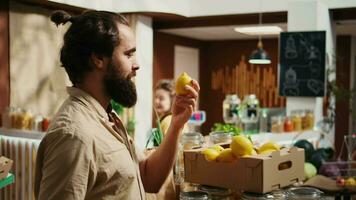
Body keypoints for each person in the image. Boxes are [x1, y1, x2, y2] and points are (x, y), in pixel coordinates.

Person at [34, 10, 199, 200]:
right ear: (98, 59)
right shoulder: (74, 135)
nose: (136, 65)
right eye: (129, 55)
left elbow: (148, 178)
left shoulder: (107, 116)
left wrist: (176, 123)